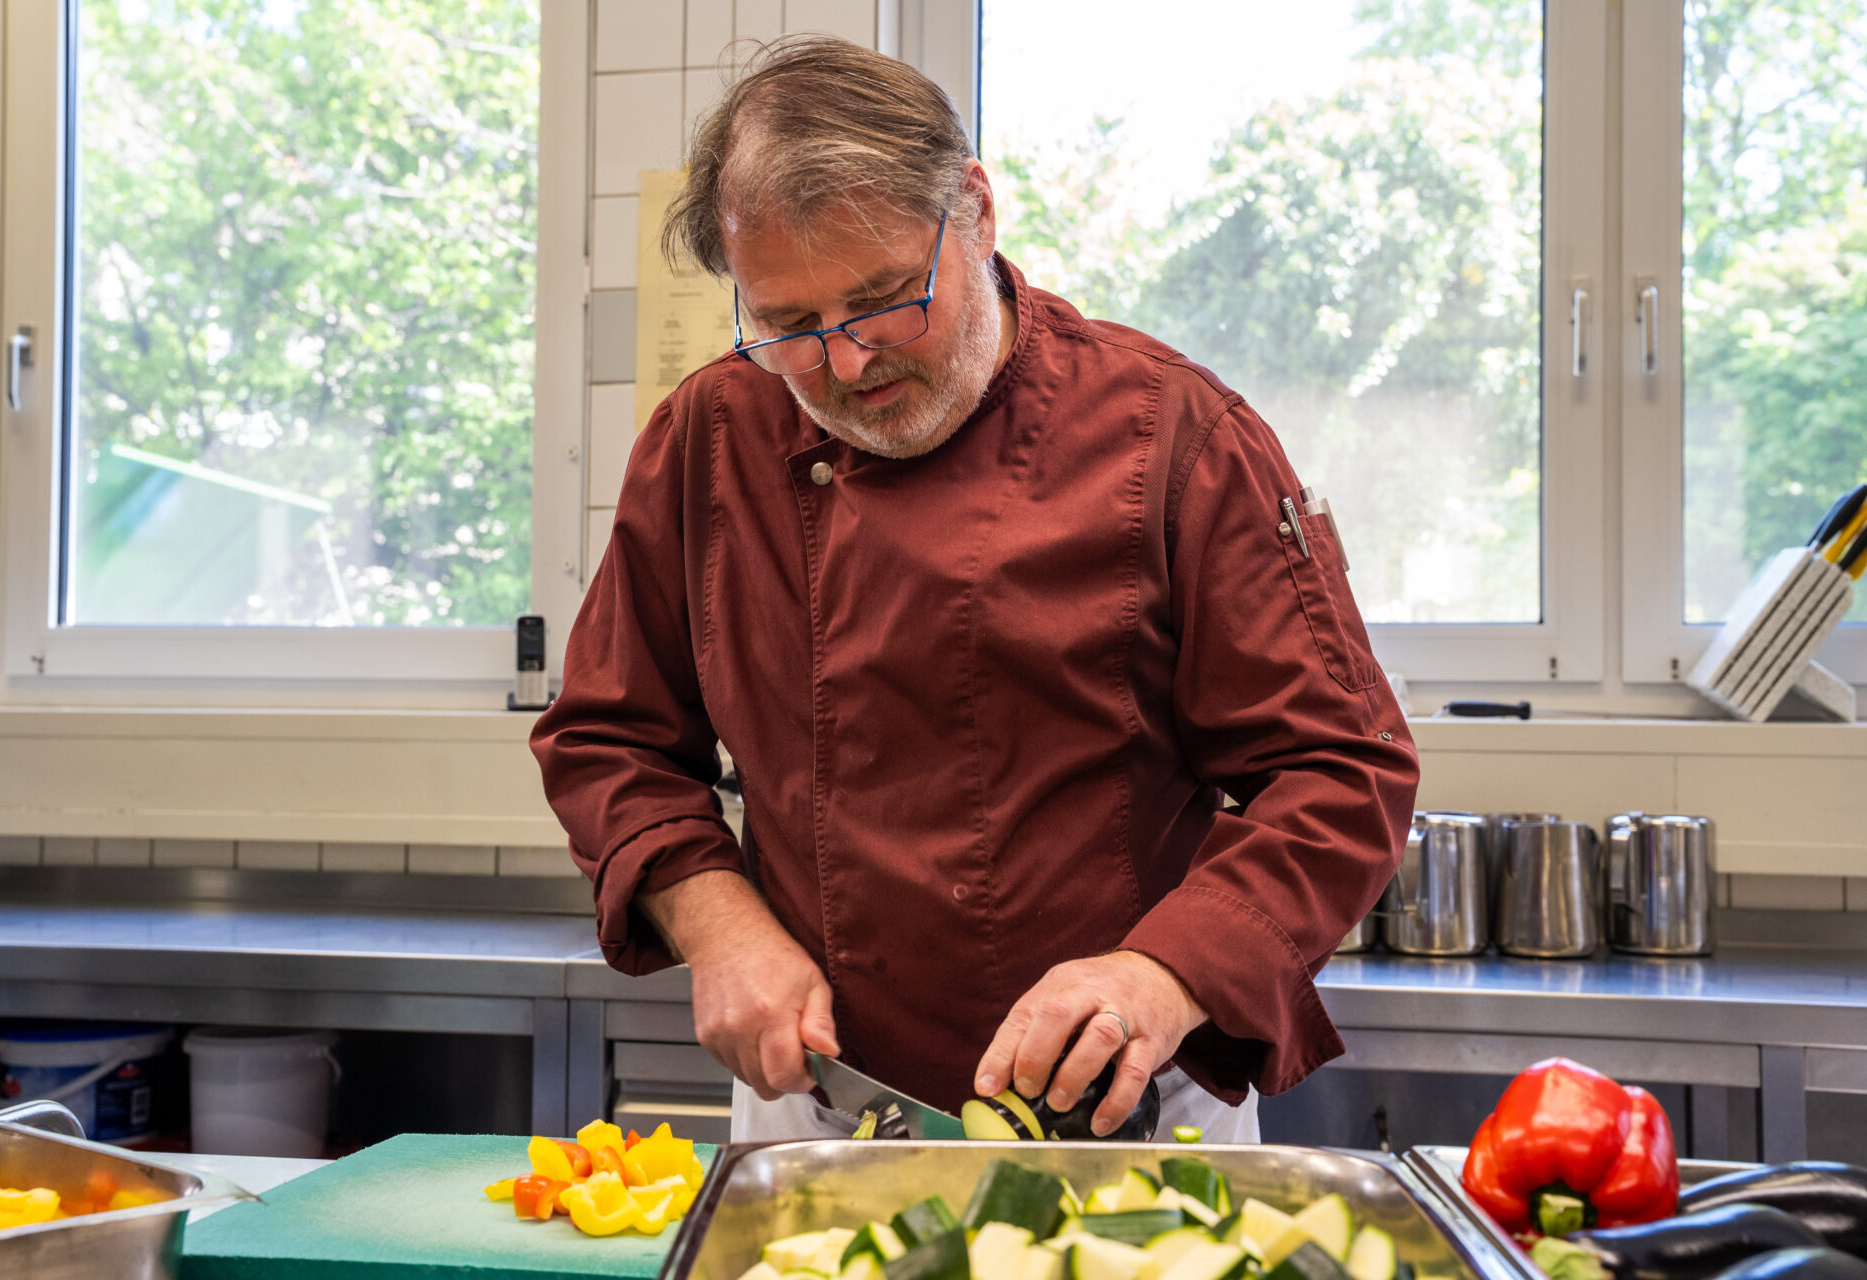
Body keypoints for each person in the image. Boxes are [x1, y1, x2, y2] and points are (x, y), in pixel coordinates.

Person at [531, 34, 1418, 1143]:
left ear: (978, 213)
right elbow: (608, 737)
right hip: (814, 1096)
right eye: (790, 326)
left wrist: (1162, 975)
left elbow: (1341, 769)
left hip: (1123, 1102)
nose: (847, 364)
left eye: (884, 300)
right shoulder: (709, 437)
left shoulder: (1175, 437)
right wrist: (716, 923)